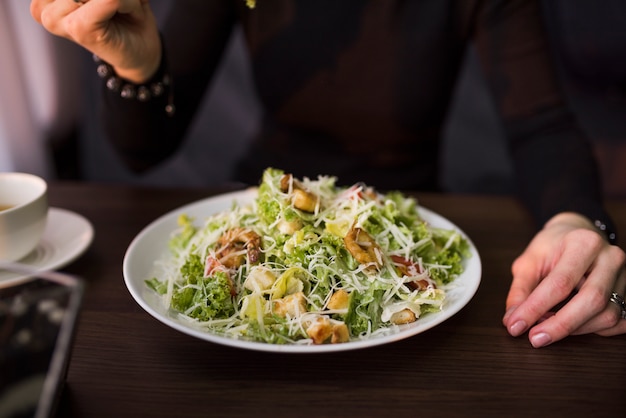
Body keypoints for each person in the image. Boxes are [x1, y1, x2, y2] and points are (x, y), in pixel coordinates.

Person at [30, 0, 626, 347]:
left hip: (401, 240)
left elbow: (542, 126)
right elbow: (145, 147)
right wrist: (137, 65)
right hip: (257, 223)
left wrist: (575, 219)